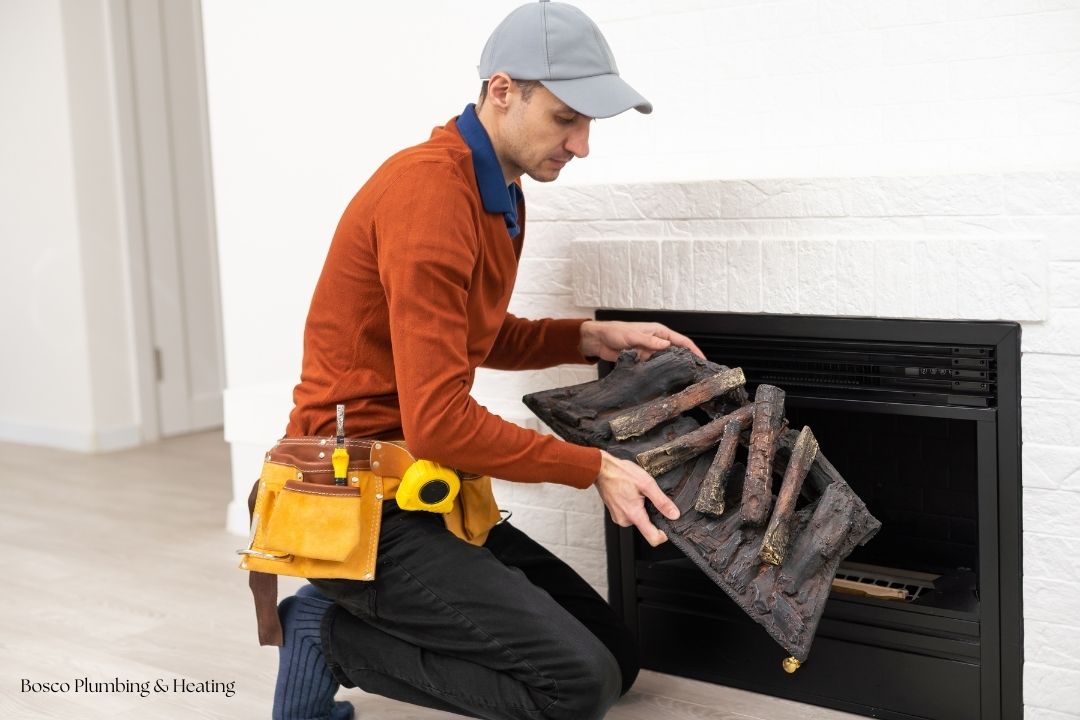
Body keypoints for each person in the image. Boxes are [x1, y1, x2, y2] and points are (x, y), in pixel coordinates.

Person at [271, 2, 704, 719]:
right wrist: (592, 466)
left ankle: (366, 620)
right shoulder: (429, 192)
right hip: (356, 503)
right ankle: (326, 633)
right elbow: (440, 423)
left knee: (615, 658)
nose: (582, 145)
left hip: (424, 487)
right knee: (576, 687)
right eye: (566, 118)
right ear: (503, 90)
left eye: (589, 124)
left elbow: (471, 334)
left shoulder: (498, 188)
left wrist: (589, 336)